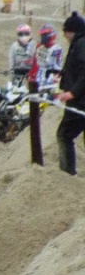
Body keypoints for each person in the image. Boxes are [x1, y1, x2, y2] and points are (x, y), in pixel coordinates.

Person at [55, 13, 85, 175]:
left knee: (64, 134)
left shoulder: (81, 44)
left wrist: (73, 93)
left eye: (65, 32)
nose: (64, 36)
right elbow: (75, 68)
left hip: (80, 102)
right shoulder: (78, 44)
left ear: (72, 31)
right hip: (78, 101)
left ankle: (66, 174)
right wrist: (62, 75)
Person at [31, 24, 63, 89]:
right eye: (42, 35)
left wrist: (54, 77)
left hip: (50, 78)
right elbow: (35, 62)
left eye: (45, 35)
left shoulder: (57, 49)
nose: (43, 37)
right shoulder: (40, 47)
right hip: (39, 77)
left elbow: (57, 66)